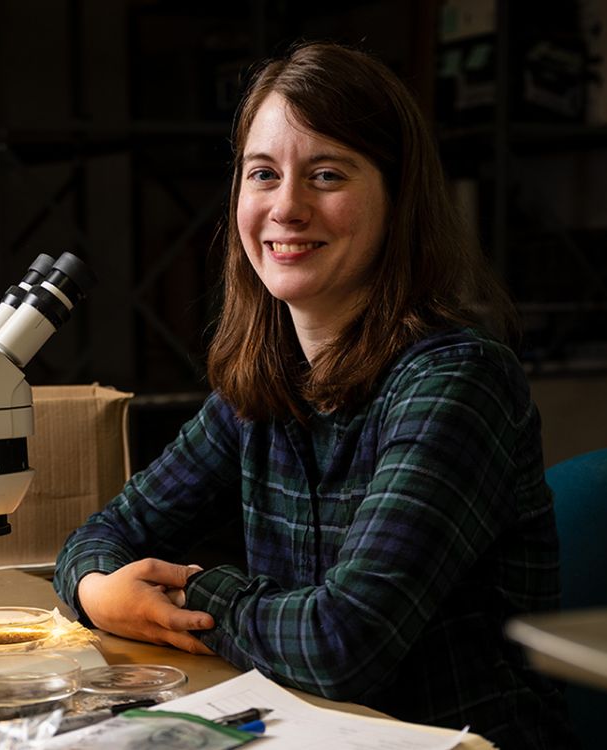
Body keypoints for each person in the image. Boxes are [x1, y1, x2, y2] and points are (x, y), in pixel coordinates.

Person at [54, 41, 576, 749]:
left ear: (398, 198)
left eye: (327, 175)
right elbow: (101, 535)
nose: (287, 206)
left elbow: (342, 644)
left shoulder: (456, 381)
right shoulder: (263, 383)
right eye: (262, 174)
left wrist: (185, 592)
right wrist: (95, 591)